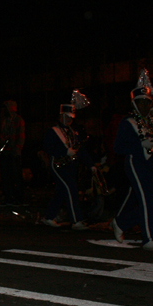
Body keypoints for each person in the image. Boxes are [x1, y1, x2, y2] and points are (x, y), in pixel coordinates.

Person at [111, 70, 153, 251]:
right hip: (136, 163)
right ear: (134, 104)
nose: (144, 106)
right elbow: (118, 148)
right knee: (145, 200)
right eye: (141, 102)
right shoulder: (128, 122)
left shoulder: (150, 123)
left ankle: (121, 222)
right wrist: (140, 145)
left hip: (151, 163)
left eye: (147, 102)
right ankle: (148, 239)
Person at [41, 90, 94, 230]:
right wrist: (65, 151)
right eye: (67, 117)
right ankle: (76, 220)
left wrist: (91, 165)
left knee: (61, 192)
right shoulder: (52, 131)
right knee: (71, 190)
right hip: (58, 165)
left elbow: (80, 149)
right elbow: (48, 147)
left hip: (71, 166)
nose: (70, 120)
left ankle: (48, 217)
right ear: (61, 116)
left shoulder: (74, 132)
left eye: (71, 117)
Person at [0, 100, 25, 206]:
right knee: (6, 176)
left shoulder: (18, 120)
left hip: (13, 152)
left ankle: (18, 198)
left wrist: (17, 149)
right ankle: (9, 197)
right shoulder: (6, 120)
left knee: (16, 176)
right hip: (6, 152)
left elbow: (21, 136)